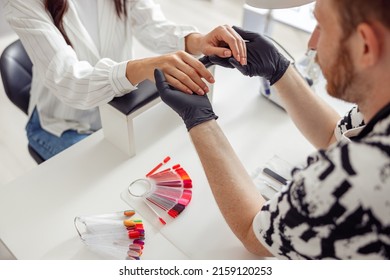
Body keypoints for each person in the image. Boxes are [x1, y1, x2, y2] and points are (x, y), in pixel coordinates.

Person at [154, 0, 390, 259]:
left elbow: (256, 234)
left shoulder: (364, 177)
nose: (312, 43)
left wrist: (198, 119)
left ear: (366, 45)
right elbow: (334, 137)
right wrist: (279, 69)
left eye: (321, 26)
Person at [3, 0, 246, 160]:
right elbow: (69, 80)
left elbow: (151, 25)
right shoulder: (23, 3)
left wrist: (198, 40)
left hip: (118, 108)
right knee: (119, 186)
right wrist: (144, 66)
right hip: (61, 125)